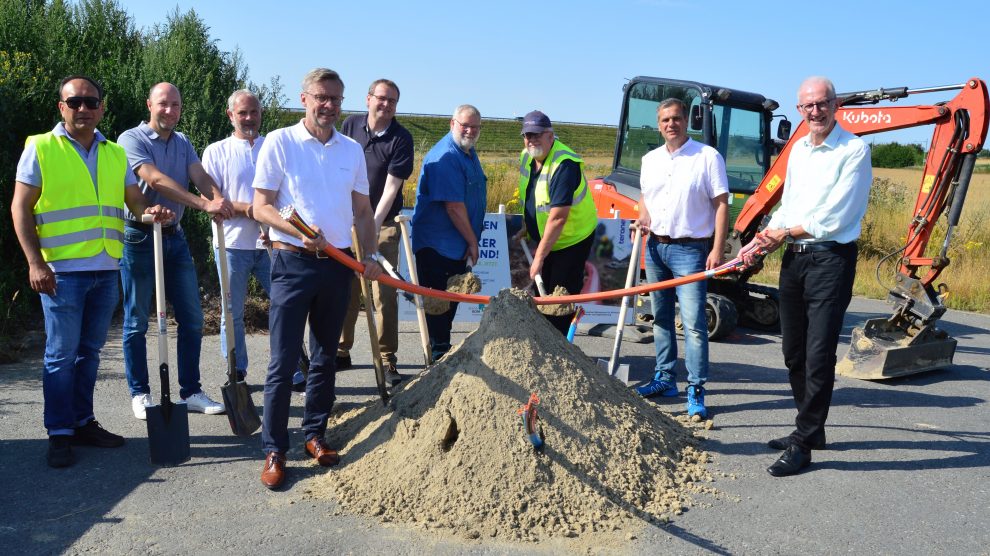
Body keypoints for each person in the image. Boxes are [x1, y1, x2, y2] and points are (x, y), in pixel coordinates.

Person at [10, 75, 173, 467]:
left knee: (89, 353)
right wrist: (35, 262)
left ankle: (83, 421)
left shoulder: (115, 153)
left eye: (91, 102)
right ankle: (60, 433)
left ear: (101, 107)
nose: (83, 108)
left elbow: (134, 201)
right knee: (60, 356)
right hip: (61, 272)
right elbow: (20, 208)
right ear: (61, 107)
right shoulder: (41, 147)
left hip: (105, 268)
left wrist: (151, 213)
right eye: (75, 102)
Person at [251, 68, 383, 490]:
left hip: (338, 263)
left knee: (326, 357)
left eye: (336, 99)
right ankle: (274, 449)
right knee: (283, 360)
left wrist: (373, 253)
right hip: (292, 263)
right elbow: (261, 208)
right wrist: (298, 234)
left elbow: (362, 212)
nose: (328, 105)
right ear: (304, 98)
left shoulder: (351, 150)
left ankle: (314, 435)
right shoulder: (280, 142)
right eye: (321, 97)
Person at [746, 77, 871, 477]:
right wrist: (764, 236)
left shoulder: (854, 150)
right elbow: (790, 205)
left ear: (835, 105)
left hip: (830, 260)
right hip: (794, 259)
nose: (814, 111)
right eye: (807, 106)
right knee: (793, 352)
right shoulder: (798, 149)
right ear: (799, 110)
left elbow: (837, 216)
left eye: (821, 104)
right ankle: (810, 428)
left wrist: (784, 233)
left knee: (818, 355)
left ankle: (803, 442)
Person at [118, 82, 232, 420]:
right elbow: (154, 180)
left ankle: (191, 391)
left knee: (193, 319)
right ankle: (140, 393)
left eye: (176, 105)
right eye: (163, 104)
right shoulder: (131, 139)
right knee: (137, 320)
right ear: (149, 104)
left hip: (174, 236)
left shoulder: (182, 142)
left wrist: (217, 198)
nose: (170, 111)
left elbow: (199, 175)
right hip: (139, 237)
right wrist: (202, 204)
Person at [633, 98, 729, 422]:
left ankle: (696, 388)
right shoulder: (650, 160)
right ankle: (664, 379)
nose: (670, 124)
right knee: (659, 318)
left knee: (693, 325)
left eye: (675, 118)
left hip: (691, 250)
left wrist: (717, 249)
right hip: (655, 248)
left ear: (686, 121)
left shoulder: (706, 157)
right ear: (658, 124)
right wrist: (642, 219)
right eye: (664, 120)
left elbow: (721, 205)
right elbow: (645, 199)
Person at [336, 79, 414, 384]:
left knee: (383, 294)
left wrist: (369, 224)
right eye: (381, 99)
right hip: (346, 222)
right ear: (368, 99)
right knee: (347, 289)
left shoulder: (400, 138)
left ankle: (386, 359)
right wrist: (347, 218)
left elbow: (391, 190)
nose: (386, 105)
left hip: (383, 224)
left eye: (392, 101)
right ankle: (341, 350)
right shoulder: (351, 125)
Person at [202, 89, 272, 384]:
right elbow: (215, 201)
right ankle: (237, 370)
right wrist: (255, 210)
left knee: (286, 307)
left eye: (253, 112)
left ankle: (294, 368)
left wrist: (270, 220)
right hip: (232, 244)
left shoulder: (273, 147)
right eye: (242, 113)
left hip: (272, 244)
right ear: (231, 115)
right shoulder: (216, 152)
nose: (249, 118)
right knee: (232, 314)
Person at [410, 105, 487, 360]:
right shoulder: (445, 156)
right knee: (438, 312)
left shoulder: (467, 151)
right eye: (465, 125)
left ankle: (440, 361)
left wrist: (468, 240)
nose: (470, 131)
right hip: (437, 247)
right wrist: (472, 241)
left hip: (455, 245)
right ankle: (435, 368)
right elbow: (453, 207)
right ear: (452, 123)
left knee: (448, 310)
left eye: (475, 127)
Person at [516, 110, 597, 335]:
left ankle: (559, 346)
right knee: (543, 295)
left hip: (571, 240)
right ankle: (545, 340)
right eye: (527, 135)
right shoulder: (527, 156)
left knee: (559, 299)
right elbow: (531, 194)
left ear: (550, 136)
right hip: (548, 237)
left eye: (537, 134)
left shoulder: (564, 164)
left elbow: (558, 217)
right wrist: (528, 224)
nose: (531, 140)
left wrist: (538, 258)